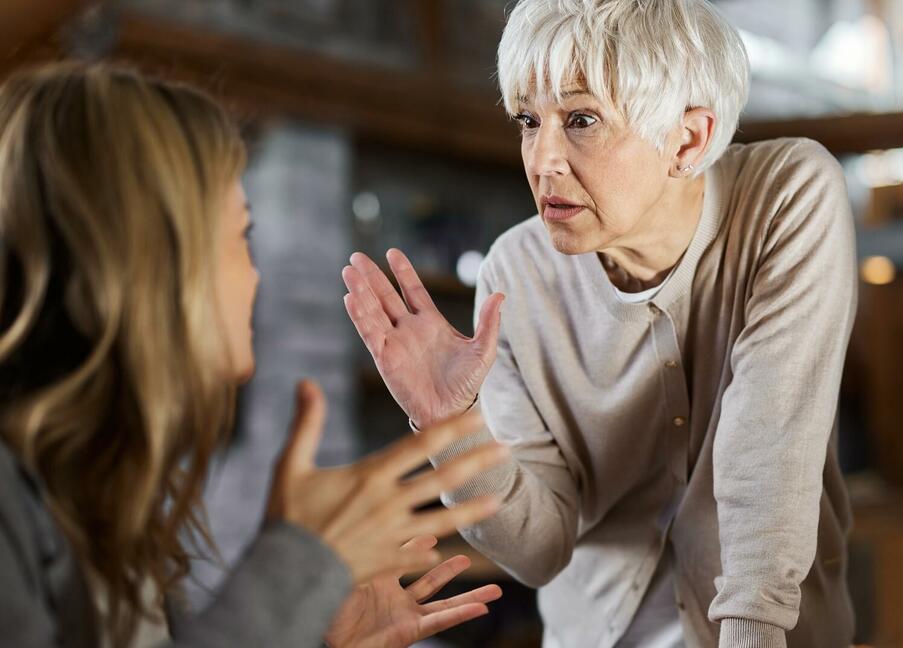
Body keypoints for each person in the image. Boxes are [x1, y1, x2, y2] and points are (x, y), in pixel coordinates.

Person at [342, 0, 858, 646]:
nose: (542, 158)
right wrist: (452, 430)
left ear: (688, 139)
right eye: (530, 121)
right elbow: (539, 547)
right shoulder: (515, 275)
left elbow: (768, 460)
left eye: (581, 119)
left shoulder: (788, 197)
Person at [0, 62, 508, 648]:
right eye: (240, 236)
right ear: (147, 263)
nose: (256, 276)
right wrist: (298, 565)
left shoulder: (102, 501)